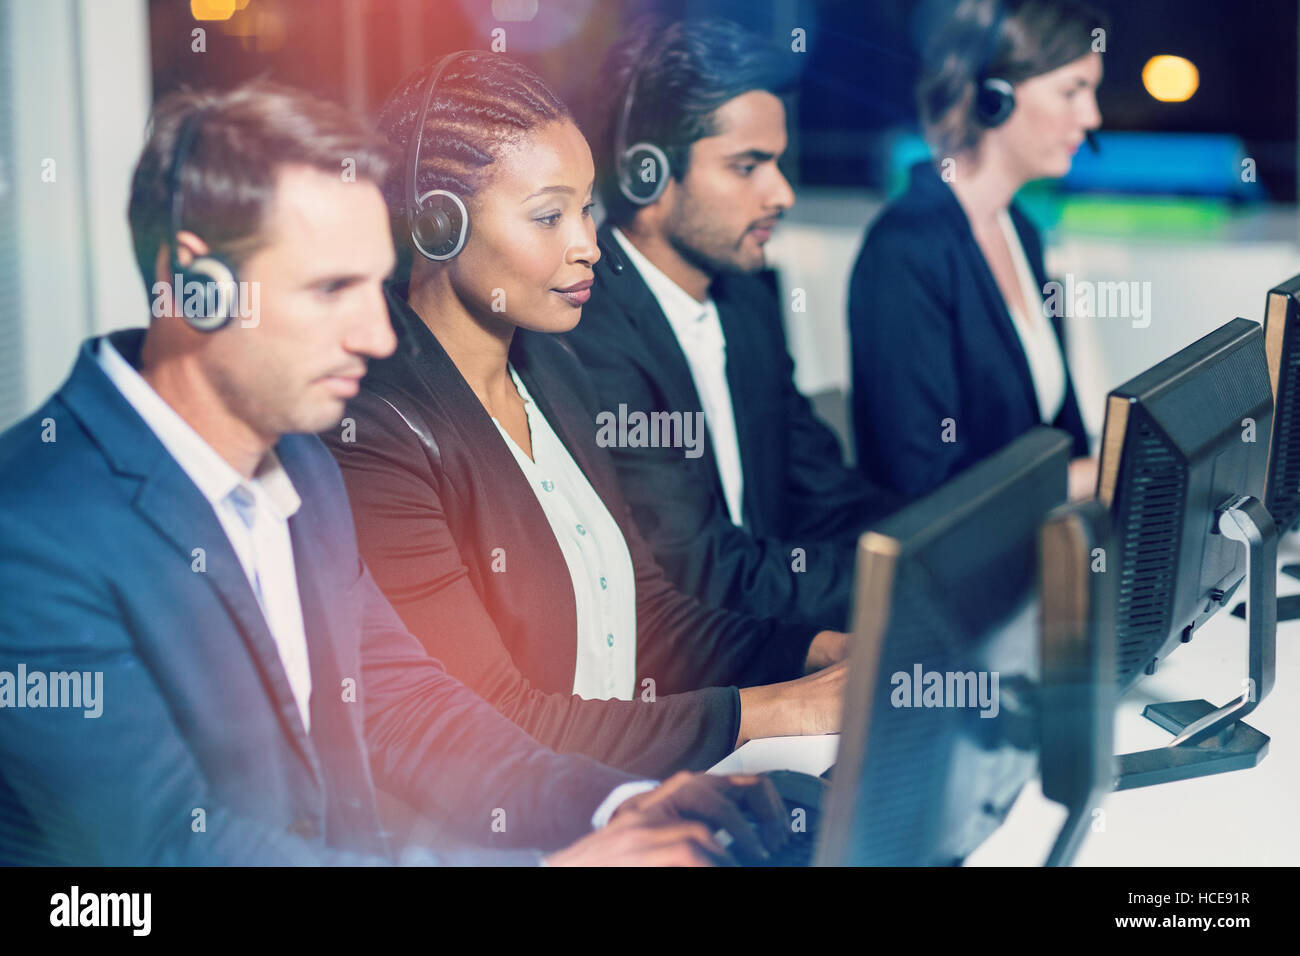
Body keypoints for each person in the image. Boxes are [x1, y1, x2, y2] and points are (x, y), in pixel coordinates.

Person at [0, 80, 793, 866]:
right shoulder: (31, 535)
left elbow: (411, 711)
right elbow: (165, 850)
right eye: (332, 289)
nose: (380, 336)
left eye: (373, 283)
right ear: (198, 286)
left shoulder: (301, 467)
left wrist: (616, 803)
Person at [322, 52, 846, 781]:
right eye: (548, 216)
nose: (589, 245)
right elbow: (494, 722)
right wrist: (780, 710)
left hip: (628, 784)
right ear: (438, 222)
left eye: (587, 209)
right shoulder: (376, 433)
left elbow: (648, 618)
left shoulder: (555, 372)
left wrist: (816, 651)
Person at [564, 18, 896, 632]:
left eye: (778, 163)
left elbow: (824, 495)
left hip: (773, 635)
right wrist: (899, 581)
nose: (782, 194)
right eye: (748, 167)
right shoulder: (590, 331)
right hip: (693, 681)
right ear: (648, 176)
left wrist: (937, 545)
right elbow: (707, 572)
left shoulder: (747, 303)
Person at [849, 0, 1105, 501]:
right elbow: (923, 478)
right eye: (1072, 91)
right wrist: (1086, 479)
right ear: (994, 99)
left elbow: (1061, 433)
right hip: (953, 571)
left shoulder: (1022, 231)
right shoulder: (905, 252)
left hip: (1034, 553)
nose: (1091, 116)